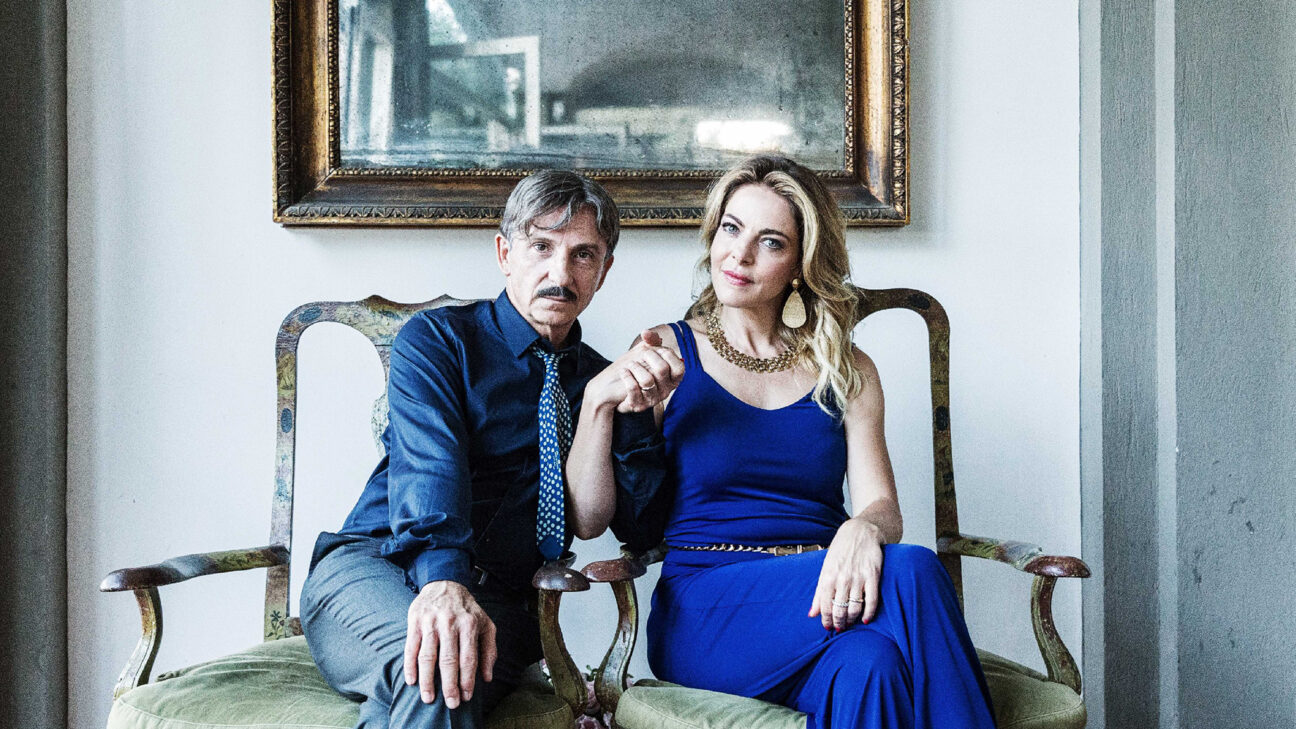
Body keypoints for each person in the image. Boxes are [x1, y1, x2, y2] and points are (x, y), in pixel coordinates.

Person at [567, 155, 997, 729]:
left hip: (828, 594)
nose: (740, 254)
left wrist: (863, 529)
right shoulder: (664, 351)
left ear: (800, 263)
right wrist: (602, 405)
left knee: (870, 665)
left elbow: (882, 506)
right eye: (731, 229)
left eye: (770, 242)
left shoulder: (847, 367)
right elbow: (591, 517)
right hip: (707, 605)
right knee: (913, 571)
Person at [299, 170, 676, 729]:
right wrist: (443, 583)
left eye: (583, 255)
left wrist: (638, 412)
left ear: (604, 270)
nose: (560, 274)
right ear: (505, 254)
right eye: (541, 247)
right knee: (438, 668)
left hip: (505, 604)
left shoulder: (602, 382)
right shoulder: (438, 341)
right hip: (374, 568)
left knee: (438, 677)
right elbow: (431, 468)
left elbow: (640, 530)